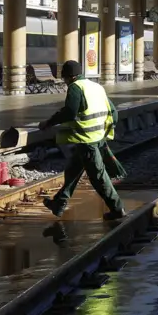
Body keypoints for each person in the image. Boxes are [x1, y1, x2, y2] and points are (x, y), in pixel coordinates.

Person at [38, 60, 125, 220]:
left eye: (64, 79)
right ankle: (59, 203)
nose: (64, 82)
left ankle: (117, 209)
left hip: (87, 140)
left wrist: (48, 122)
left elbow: (69, 112)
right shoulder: (96, 87)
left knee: (98, 177)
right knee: (72, 170)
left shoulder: (75, 87)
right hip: (97, 137)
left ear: (69, 77)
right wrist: (105, 131)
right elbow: (113, 111)